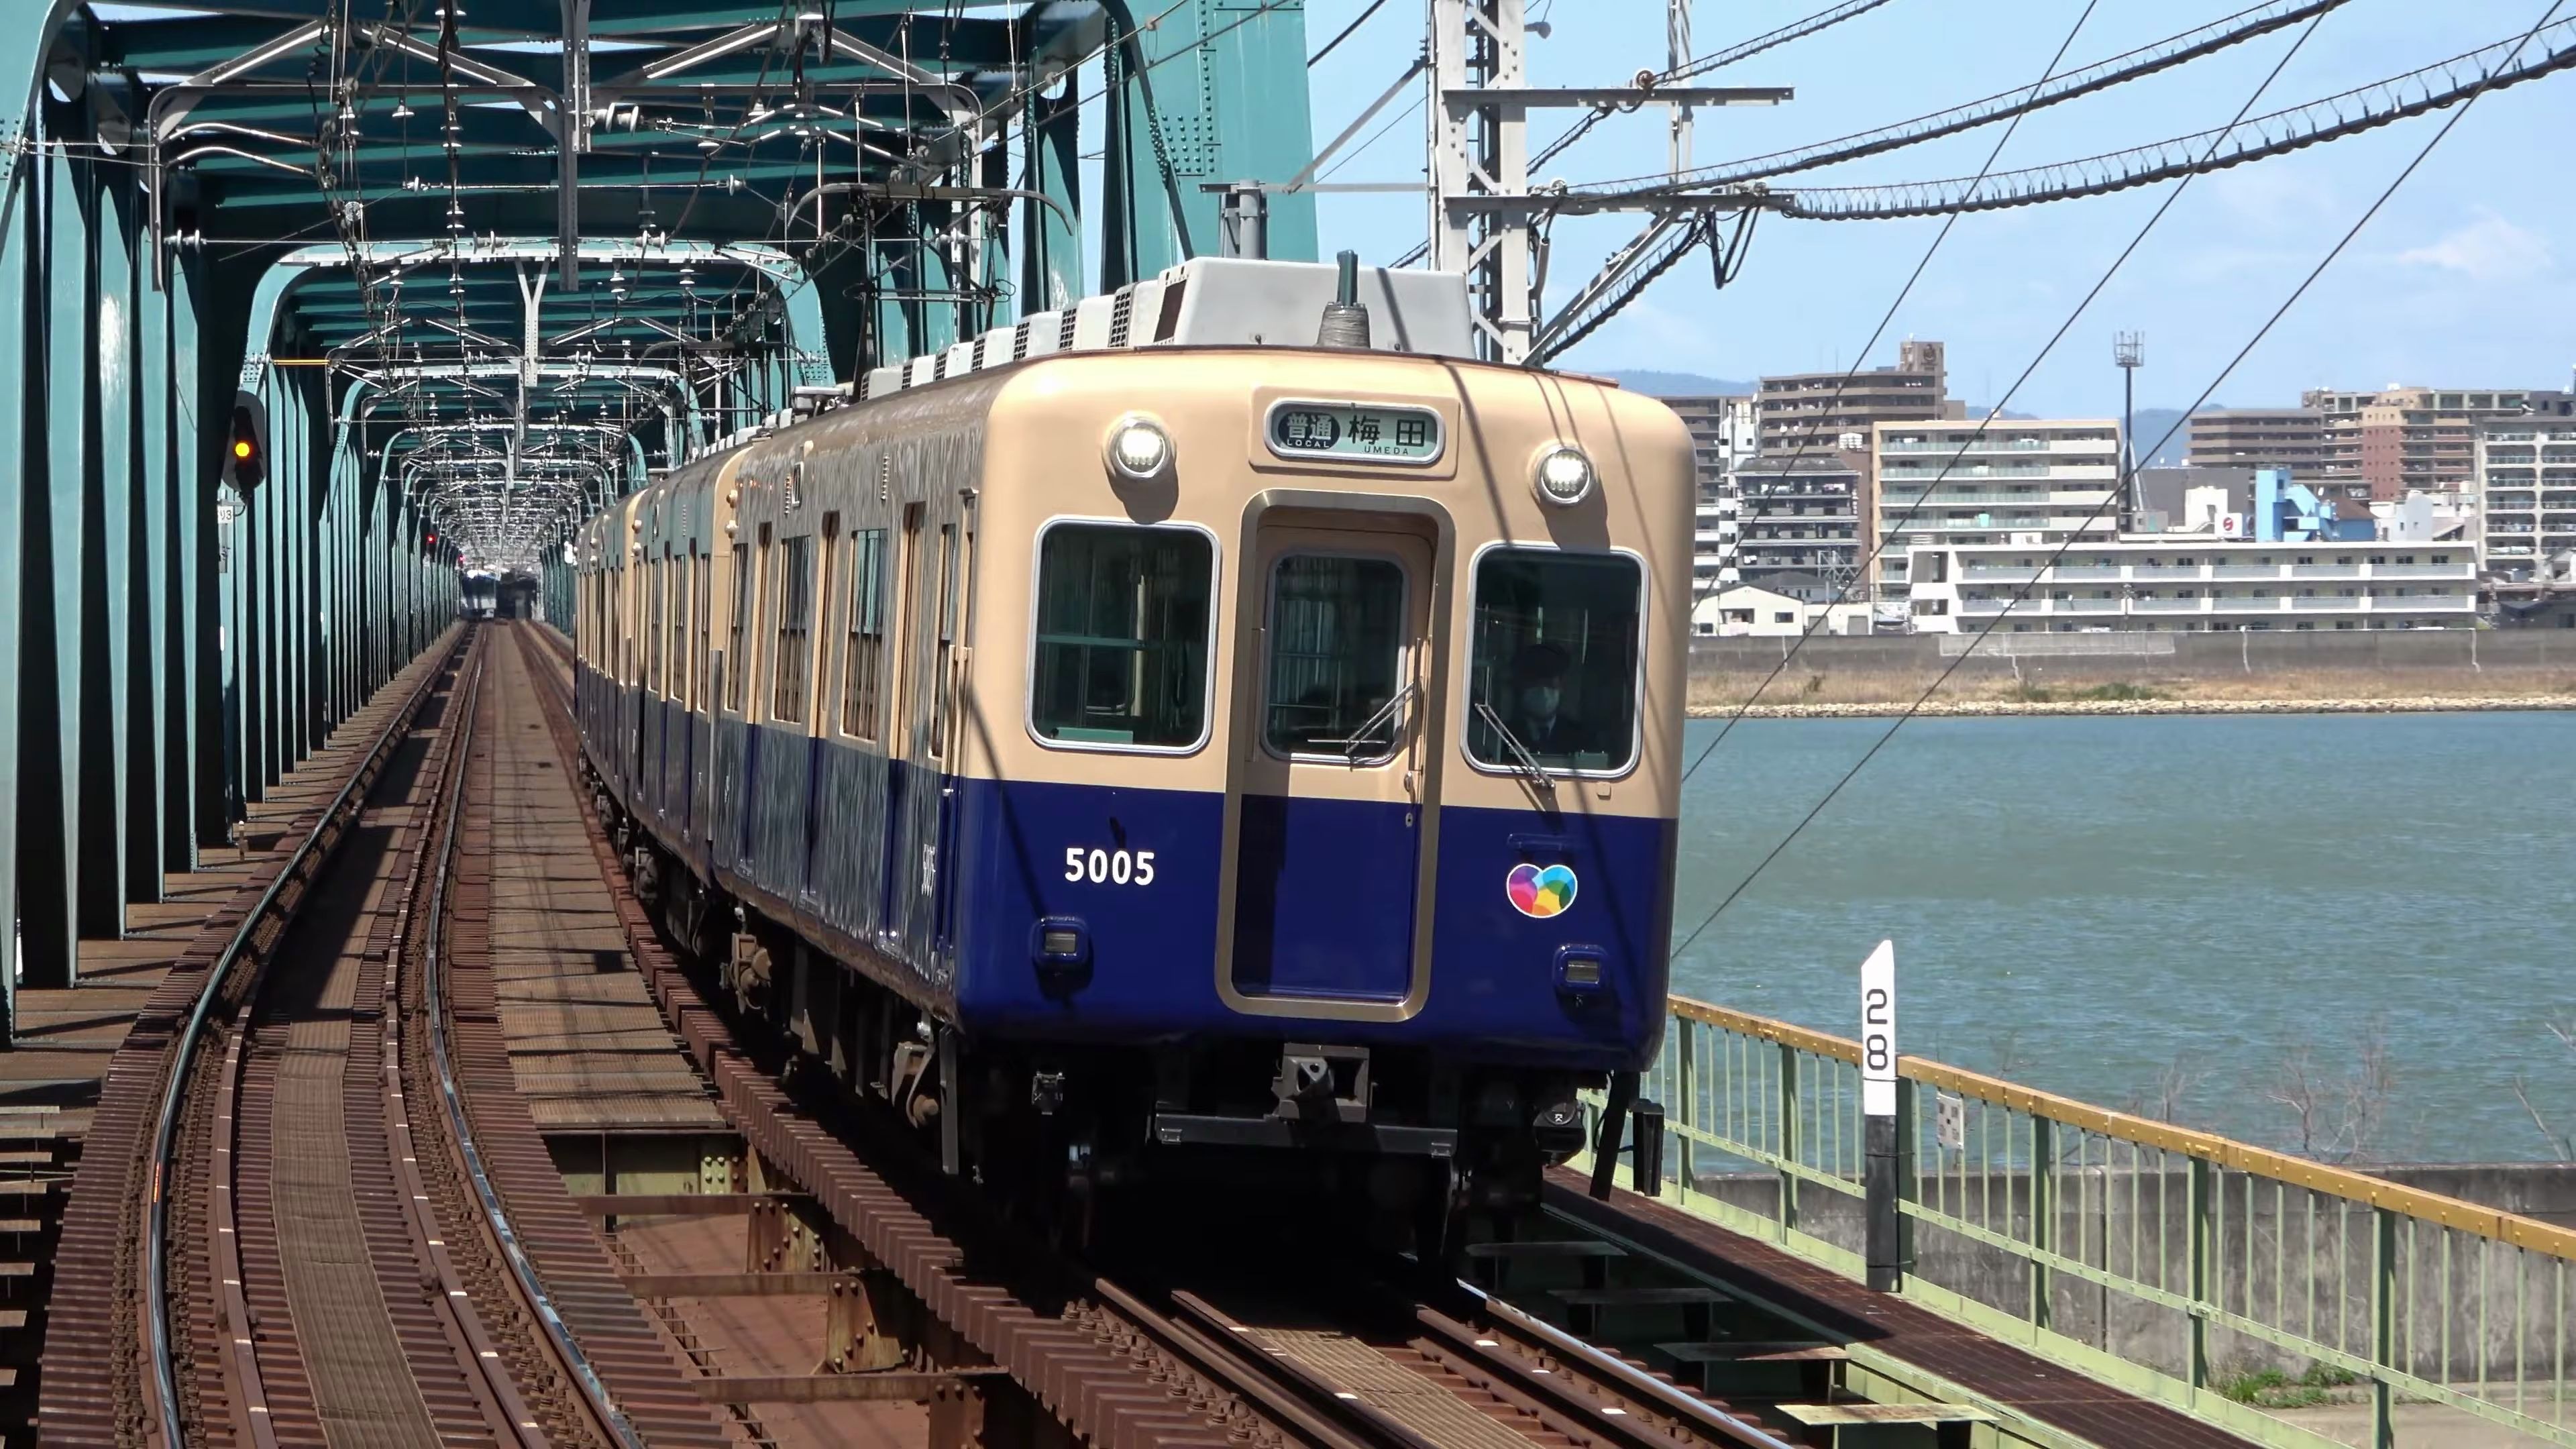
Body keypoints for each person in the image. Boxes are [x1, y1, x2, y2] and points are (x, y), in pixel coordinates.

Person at [1507, 641, 1595, 757]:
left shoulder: (1582, 738)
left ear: (1562, 686)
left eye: (1549, 683)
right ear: (1521, 687)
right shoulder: (1504, 736)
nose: (1543, 691)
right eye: (1534, 683)